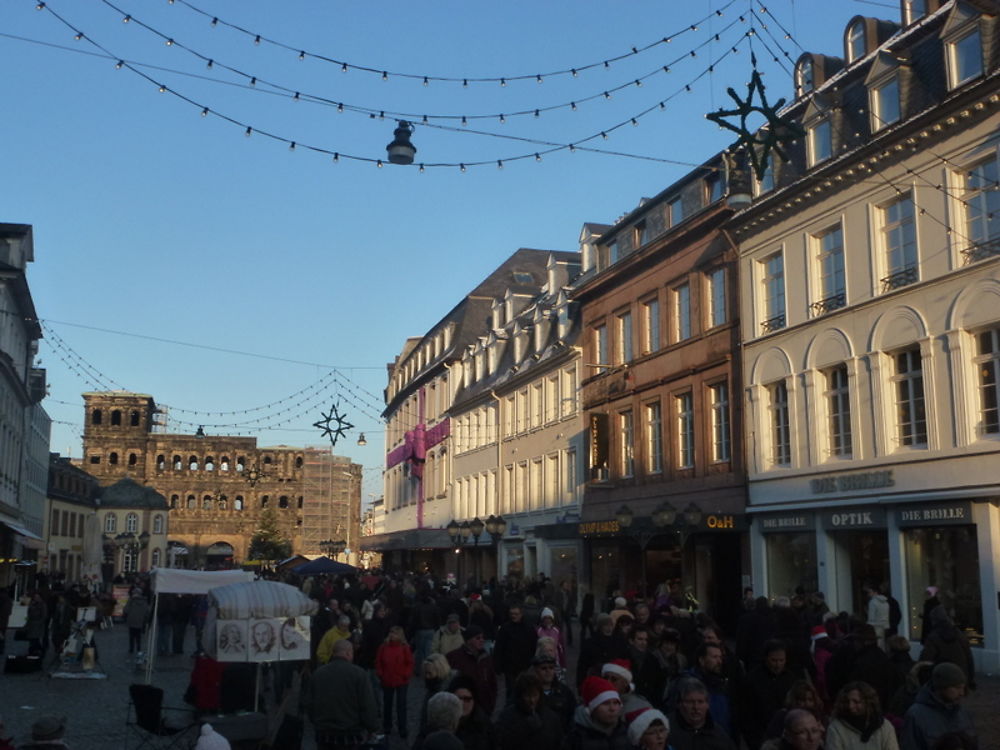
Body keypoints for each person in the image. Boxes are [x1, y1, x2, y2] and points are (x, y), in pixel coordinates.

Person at [304, 639, 379, 750]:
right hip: (350, 733)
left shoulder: (318, 673)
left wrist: (317, 722)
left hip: (324, 733)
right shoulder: (359, 674)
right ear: (348, 653)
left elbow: (310, 703)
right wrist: (372, 728)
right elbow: (367, 705)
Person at [740, 640, 802, 750]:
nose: (778, 665)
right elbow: (746, 714)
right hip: (761, 735)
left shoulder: (790, 679)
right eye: (774, 660)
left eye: (781, 660)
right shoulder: (752, 680)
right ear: (766, 658)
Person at [900, 663, 976, 750]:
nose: (962, 693)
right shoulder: (916, 715)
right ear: (941, 686)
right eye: (957, 688)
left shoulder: (963, 713)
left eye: (963, 688)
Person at [495, 671, 563, 750]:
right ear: (520, 696)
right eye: (527, 696)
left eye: (535, 695)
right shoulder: (507, 718)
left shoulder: (551, 717)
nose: (532, 700)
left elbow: (559, 743)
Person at [825, 681, 898, 750]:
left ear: (868, 703)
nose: (850, 706)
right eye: (847, 702)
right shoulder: (836, 728)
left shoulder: (885, 728)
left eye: (856, 702)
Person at [563, 675, 630, 750]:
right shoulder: (576, 738)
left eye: (616, 703)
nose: (612, 708)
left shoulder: (623, 731)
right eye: (606, 703)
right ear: (592, 708)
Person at [668, 678, 736, 750]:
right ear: (680, 704)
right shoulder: (665, 731)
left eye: (700, 702)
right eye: (690, 702)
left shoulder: (719, 735)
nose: (696, 707)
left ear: (707, 705)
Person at [447, 625, 498, 715]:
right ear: (468, 640)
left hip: (484, 707)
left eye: (483, 637)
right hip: (463, 707)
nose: (482, 640)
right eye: (478, 638)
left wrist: (491, 703)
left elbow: (493, 682)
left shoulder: (486, 658)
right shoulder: (453, 657)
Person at [918, 608, 975, 688]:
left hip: (943, 678)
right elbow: (969, 658)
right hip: (961, 677)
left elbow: (925, 659)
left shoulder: (934, 637)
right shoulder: (959, 634)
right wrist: (971, 679)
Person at [375, 625, 414, 740]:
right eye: (391, 633)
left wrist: (406, 674)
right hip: (387, 679)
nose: (392, 635)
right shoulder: (383, 647)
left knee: (401, 705)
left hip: (402, 680)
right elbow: (378, 661)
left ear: (400, 635)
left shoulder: (404, 647)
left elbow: (410, 662)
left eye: (395, 633)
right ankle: (387, 726)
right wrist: (380, 673)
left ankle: (402, 728)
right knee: (387, 704)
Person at [494, 604, 538, 701]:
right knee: (511, 690)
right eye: (512, 614)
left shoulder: (528, 628)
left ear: (521, 614)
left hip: (524, 665)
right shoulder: (505, 628)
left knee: (524, 688)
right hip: (509, 665)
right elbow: (499, 647)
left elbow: (533, 644)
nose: (513, 616)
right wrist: (498, 665)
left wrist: (530, 660)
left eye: (516, 614)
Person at [449, 674, 496, 750]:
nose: (462, 703)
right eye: (458, 699)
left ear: (474, 700)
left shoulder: (484, 726)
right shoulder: (444, 723)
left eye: (467, 699)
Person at [533, 652, 576, 730]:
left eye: (551, 668)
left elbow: (573, 716)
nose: (548, 671)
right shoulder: (529, 691)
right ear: (536, 670)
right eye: (544, 668)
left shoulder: (565, 692)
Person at [421, 653, 455, 730]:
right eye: (425, 673)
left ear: (440, 671)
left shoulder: (447, 692)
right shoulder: (433, 687)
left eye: (429, 673)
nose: (427, 677)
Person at [123, 588, 149, 655]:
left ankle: (131, 649)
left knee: (131, 636)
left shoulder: (131, 600)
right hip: (140, 621)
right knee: (138, 636)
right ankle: (138, 648)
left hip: (132, 621)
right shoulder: (144, 601)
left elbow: (126, 610)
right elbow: (146, 612)